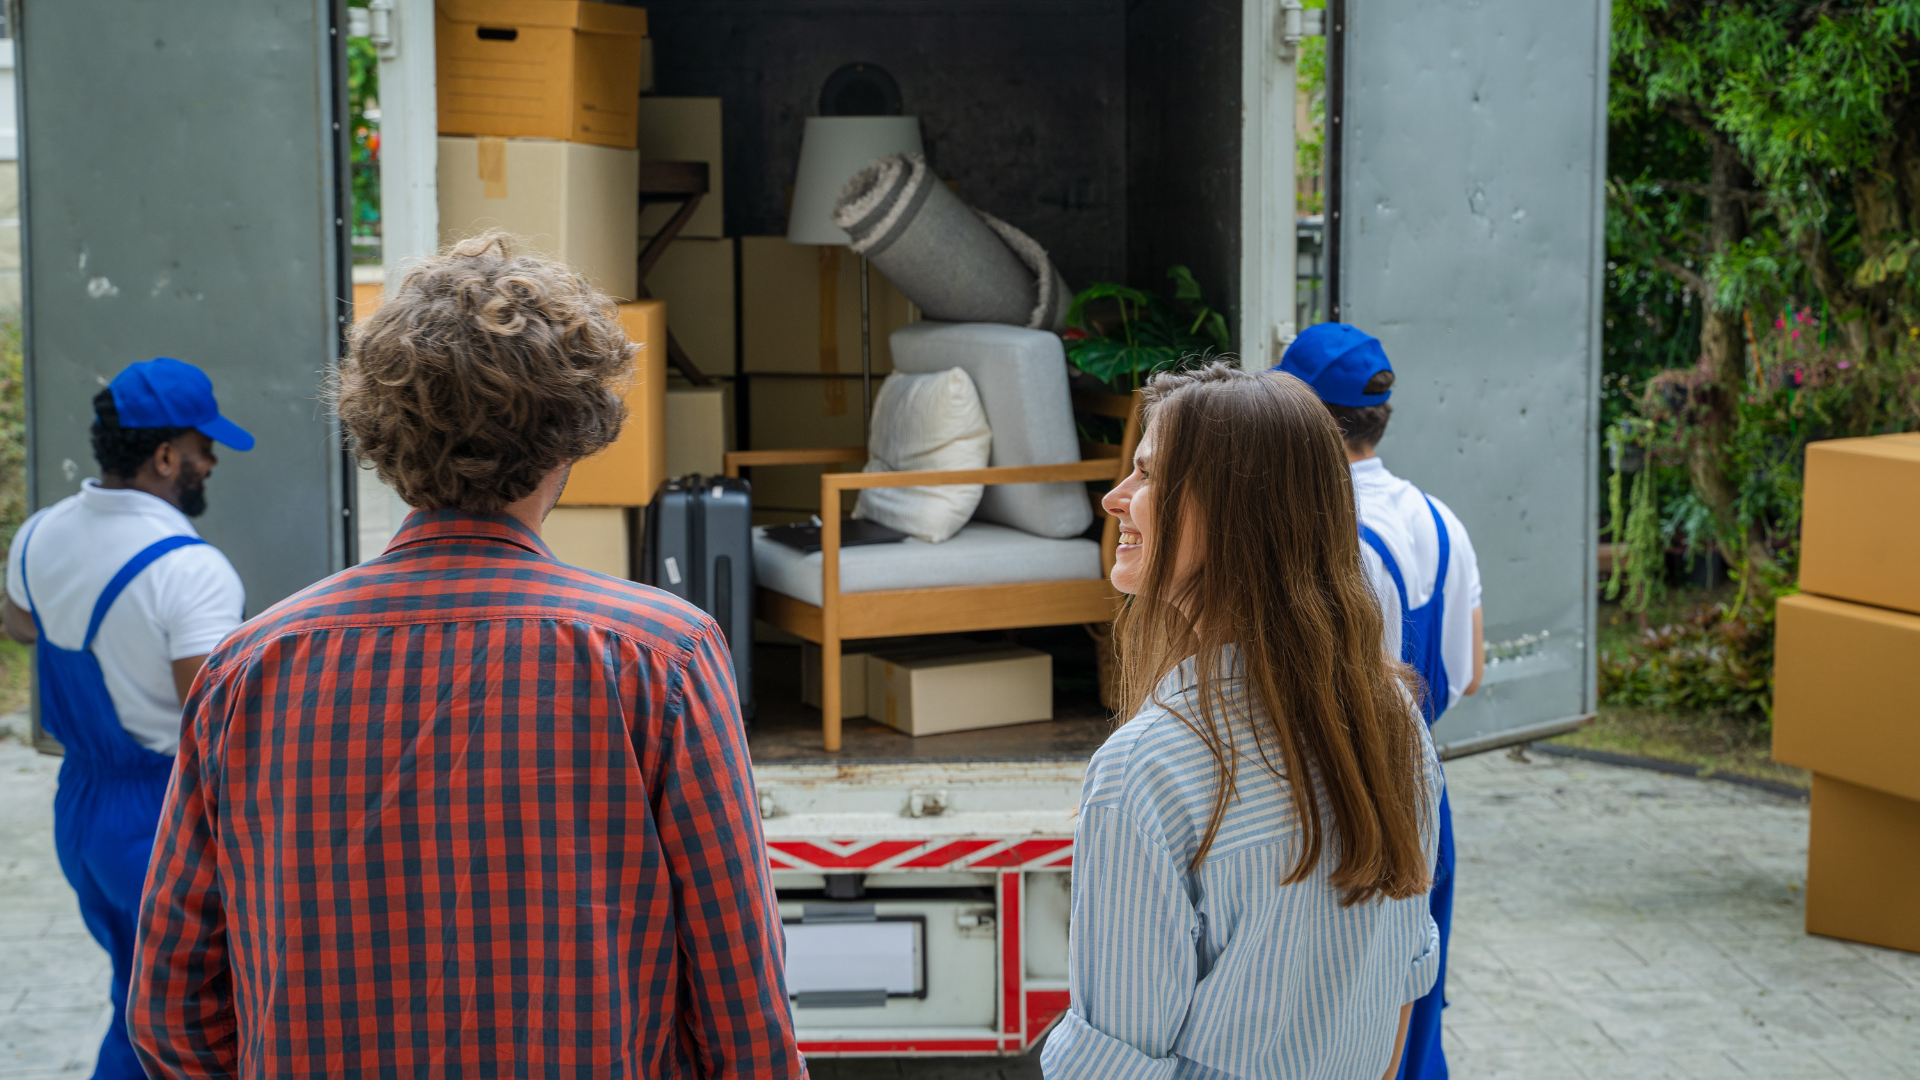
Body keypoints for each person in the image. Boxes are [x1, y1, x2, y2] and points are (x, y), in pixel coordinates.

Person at [129, 235, 805, 1078]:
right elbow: (743, 1013)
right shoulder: (660, 660)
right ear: (572, 437)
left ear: (385, 435)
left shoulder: (247, 670)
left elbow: (170, 1012)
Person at [1042, 362, 1441, 1080]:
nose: (1114, 498)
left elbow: (1113, 1068)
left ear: (1232, 512)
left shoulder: (1149, 769)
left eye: (1147, 475)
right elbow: (1399, 996)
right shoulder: (1397, 723)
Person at [1, 357, 253, 1080]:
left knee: (134, 993)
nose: (211, 462)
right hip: (159, 817)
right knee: (188, 1026)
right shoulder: (190, 570)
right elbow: (212, 725)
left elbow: (20, 626)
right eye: (204, 446)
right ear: (166, 457)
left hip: (80, 813)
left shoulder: (39, 534)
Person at [1278, 322, 1484, 1080]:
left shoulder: (1322, 538)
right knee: (1416, 1007)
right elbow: (1470, 672)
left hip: (1344, 805)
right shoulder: (1442, 520)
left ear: (1304, 417)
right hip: (1427, 798)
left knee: (1343, 1026)